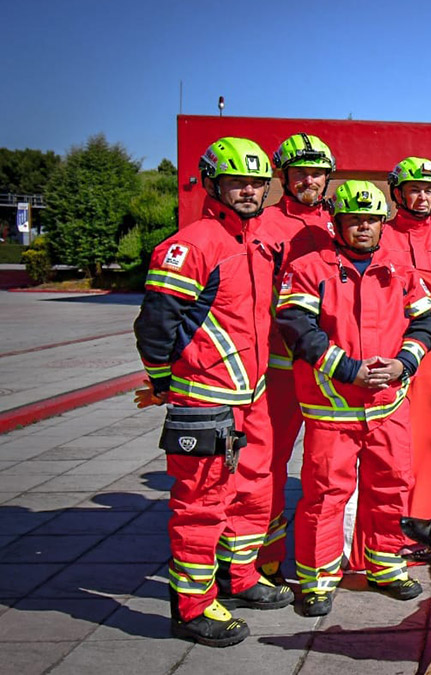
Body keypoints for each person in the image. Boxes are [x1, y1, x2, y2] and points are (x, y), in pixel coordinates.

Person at [134, 137, 293, 647]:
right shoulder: (193, 243)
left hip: (253, 396)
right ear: (212, 183)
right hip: (205, 398)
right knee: (201, 505)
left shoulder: (258, 241)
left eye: (256, 183)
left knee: (253, 494)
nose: (248, 191)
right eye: (236, 182)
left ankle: (240, 579)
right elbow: (156, 324)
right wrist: (162, 382)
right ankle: (192, 607)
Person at [275, 180, 431, 616]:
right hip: (331, 406)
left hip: (388, 405)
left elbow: (425, 322)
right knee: (326, 494)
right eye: (354, 220)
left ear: (383, 222)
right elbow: (296, 327)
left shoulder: (400, 268)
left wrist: (405, 363)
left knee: (392, 486)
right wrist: (347, 369)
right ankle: (316, 581)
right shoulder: (309, 267)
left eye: (371, 219)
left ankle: (385, 565)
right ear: (337, 222)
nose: (363, 227)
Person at [255, 132, 337, 584]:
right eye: (301, 172)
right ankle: (262, 559)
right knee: (268, 465)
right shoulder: (265, 226)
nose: (310, 179)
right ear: (283, 176)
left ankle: (328, 553)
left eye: (318, 173)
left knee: (328, 471)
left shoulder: (338, 222)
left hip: (334, 372)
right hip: (281, 370)